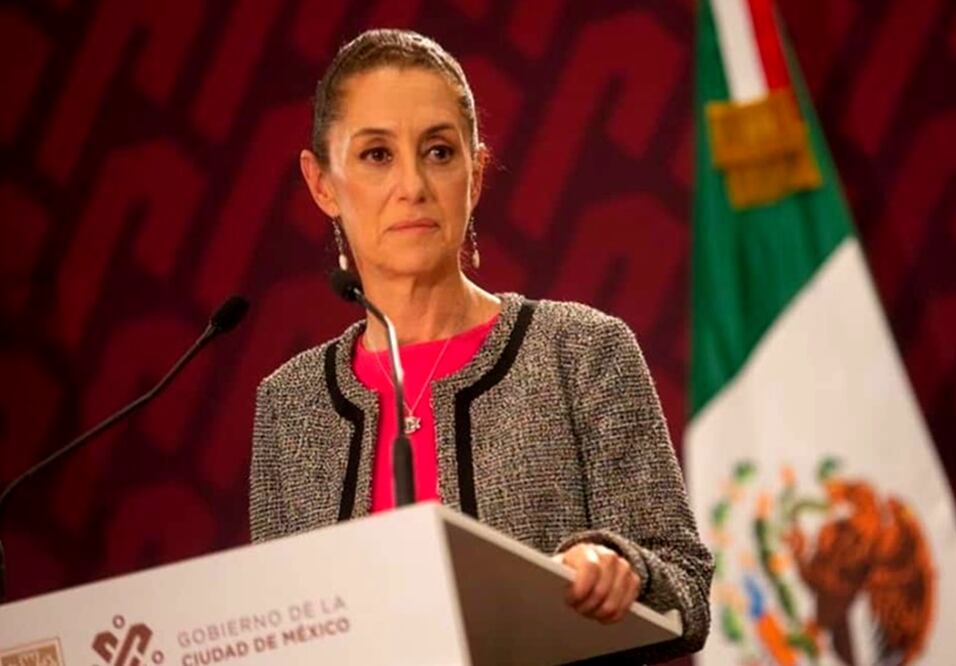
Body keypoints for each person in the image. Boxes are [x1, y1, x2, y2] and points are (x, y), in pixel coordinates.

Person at [248, 29, 713, 662]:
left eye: (438, 152)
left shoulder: (580, 352)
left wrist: (623, 567)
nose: (412, 184)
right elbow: (277, 633)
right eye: (377, 155)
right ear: (322, 182)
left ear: (475, 170)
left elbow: (685, 581)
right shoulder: (290, 405)